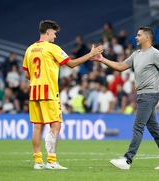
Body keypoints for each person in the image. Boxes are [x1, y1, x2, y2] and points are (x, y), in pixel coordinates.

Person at [93, 26, 159, 170]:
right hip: (142, 94)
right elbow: (121, 66)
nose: (136, 37)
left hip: (149, 94)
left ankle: (127, 160)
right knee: (154, 129)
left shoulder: (156, 54)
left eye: (139, 35)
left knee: (138, 127)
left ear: (147, 37)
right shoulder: (136, 54)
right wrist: (102, 59)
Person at [22, 20, 103, 170]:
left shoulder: (29, 49)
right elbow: (71, 64)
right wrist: (90, 54)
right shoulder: (52, 48)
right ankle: (52, 161)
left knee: (37, 127)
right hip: (49, 91)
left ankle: (38, 162)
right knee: (56, 125)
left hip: (34, 92)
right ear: (47, 32)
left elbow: (27, 74)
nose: (55, 36)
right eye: (54, 33)